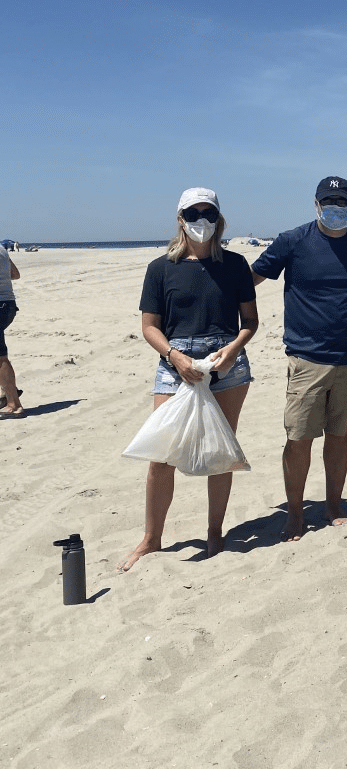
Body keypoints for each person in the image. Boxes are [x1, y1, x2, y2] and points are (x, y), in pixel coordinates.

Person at [252, 176, 347, 540]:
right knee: (299, 438)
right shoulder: (293, 241)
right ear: (316, 204)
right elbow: (252, 278)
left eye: (342, 202)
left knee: (338, 434)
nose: (335, 208)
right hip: (307, 359)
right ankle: (294, 513)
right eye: (329, 202)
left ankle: (334, 505)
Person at [117, 188, 258, 571]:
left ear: (219, 218)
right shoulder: (160, 268)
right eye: (193, 212)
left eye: (208, 212)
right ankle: (151, 538)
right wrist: (174, 356)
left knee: (221, 453)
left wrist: (231, 350)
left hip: (225, 363)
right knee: (161, 455)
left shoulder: (235, 264)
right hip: (174, 362)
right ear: (180, 218)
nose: (201, 219)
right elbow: (149, 327)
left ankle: (215, 532)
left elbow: (250, 322)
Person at [0, 240, 25, 419]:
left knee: (1, 357)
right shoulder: (2, 249)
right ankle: (7, 391)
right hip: (9, 306)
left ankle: (14, 404)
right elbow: (15, 275)